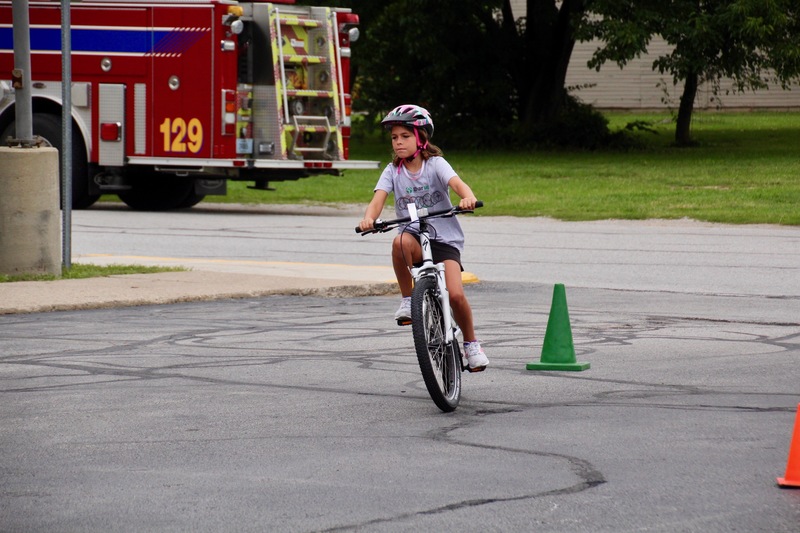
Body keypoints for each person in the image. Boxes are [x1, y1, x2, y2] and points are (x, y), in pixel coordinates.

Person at [358, 104, 489, 372]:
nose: (398, 142)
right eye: (394, 137)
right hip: (414, 239)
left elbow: (457, 184)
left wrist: (467, 197)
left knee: (455, 295)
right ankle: (408, 299)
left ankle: (471, 344)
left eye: (405, 136)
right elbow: (377, 201)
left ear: (421, 138)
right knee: (398, 242)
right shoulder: (392, 171)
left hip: (444, 240)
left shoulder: (435, 164)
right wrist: (369, 219)